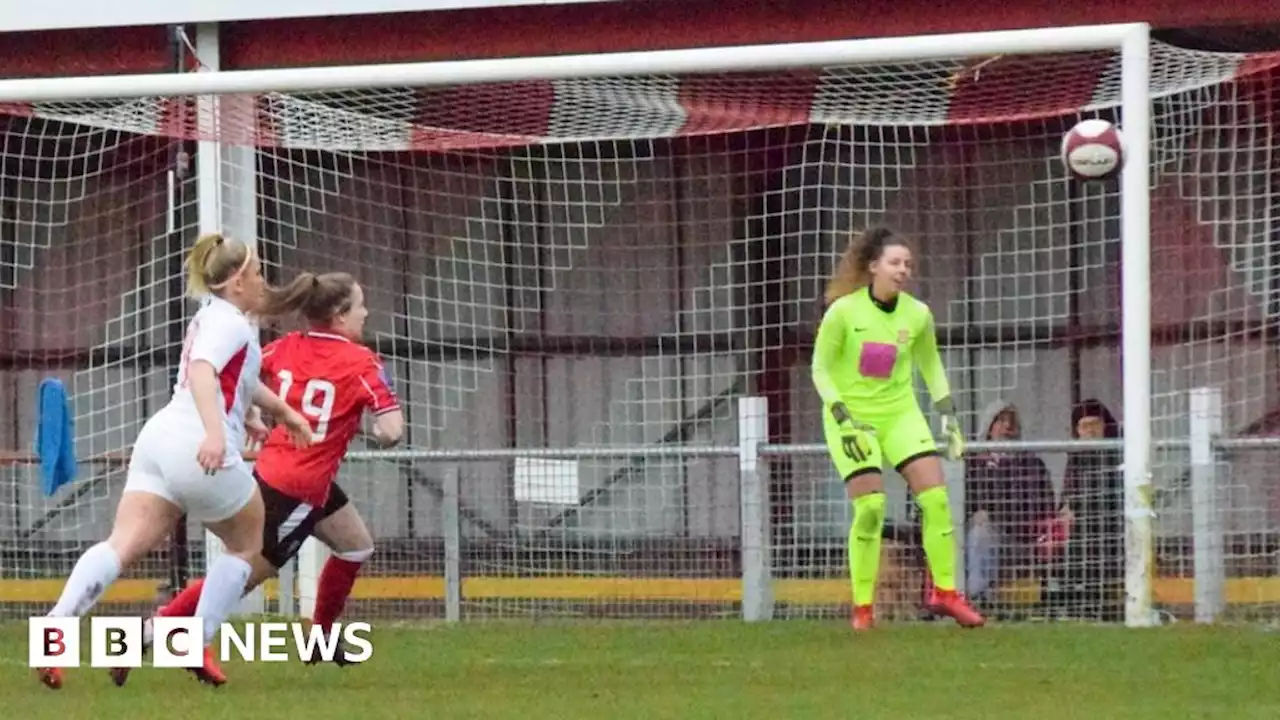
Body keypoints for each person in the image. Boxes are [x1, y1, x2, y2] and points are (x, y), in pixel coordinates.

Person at [36, 233, 313, 690]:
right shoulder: (231, 324)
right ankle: (194, 639)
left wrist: (275, 413)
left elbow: (236, 382)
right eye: (259, 271)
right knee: (247, 543)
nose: (264, 279)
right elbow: (204, 371)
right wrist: (213, 431)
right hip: (194, 444)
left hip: (159, 439)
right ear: (238, 280)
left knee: (119, 544)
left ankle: (55, 631)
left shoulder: (213, 316)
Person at [109, 272, 404, 686]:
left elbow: (240, 380)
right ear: (339, 316)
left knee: (355, 545)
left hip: (284, 473)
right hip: (297, 488)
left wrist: (249, 415)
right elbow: (391, 430)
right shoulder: (363, 363)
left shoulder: (283, 347)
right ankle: (148, 632)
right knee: (242, 575)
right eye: (359, 306)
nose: (366, 313)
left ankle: (319, 635)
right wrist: (377, 434)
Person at [811, 226, 984, 630]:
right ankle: (863, 608)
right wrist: (841, 417)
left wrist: (949, 418)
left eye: (908, 264)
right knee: (871, 509)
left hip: (901, 415)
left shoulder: (917, 314)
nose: (903, 270)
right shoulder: (843, 312)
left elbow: (932, 368)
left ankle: (945, 593)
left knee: (937, 500)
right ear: (873, 267)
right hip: (852, 419)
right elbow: (820, 368)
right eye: (894, 262)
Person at [963, 401, 1055, 606]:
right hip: (965, 540)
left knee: (983, 533)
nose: (1007, 427)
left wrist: (992, 515)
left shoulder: (1031, 466)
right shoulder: (971, 465)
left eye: (1012, 422)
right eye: (1001, 421)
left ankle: (978, 601)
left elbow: (1040, 508)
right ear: (988, 428)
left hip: (1018, 542)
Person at [1050, 398, 1124, 620]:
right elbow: (1066, 495)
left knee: (1087, 525)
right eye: (1084, 426)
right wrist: (1065, 509)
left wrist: (1075, 508)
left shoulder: (1117, 455)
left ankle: (1083, 597)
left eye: (1095, 424)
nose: (1090, 431)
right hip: (1080, 531)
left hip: (1111, 528)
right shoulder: (1076, 458)